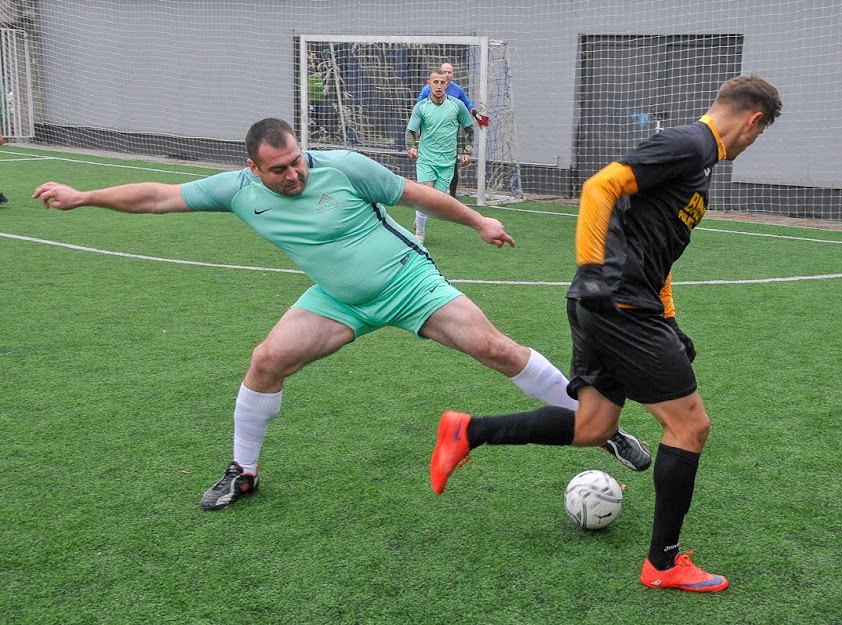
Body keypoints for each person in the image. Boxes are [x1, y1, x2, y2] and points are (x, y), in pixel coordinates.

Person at [32, 117, 584, 511]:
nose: (294, 174)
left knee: (495, 349)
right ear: (252, 168)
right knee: (266, 360)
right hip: (336, 299)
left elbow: (415, 193)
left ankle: (591, 426)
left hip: (408, 283)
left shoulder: (343, 166)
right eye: (278, 169)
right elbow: (156, 196)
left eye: (296, 160)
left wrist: (479, 221)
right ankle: (243, 473)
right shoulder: (236, 191)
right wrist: (84, 197)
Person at [429, 75, 782, 593]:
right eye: (759, 134)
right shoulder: (690, 143)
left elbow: (655, 250)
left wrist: (669, 318)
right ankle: (663, 564)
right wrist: (594, 270)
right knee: (690, 427)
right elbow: (601, 185)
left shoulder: (700, 164)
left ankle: (469, 431)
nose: (752, 144)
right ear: (753, 120)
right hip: (617, 302)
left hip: (620, 302)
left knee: (594, 425)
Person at [407, 69, 477, 244]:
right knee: (425, 196)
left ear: (447, 84)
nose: (438, 85)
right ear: (428, 84)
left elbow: (469, 129)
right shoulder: (421, 107)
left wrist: (467, 151)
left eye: (442, 82)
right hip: (426, 159)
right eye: (435, 82)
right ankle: (420, 234)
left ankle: (420, 216)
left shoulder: (457, 106)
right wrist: (411, 147)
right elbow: (411, 131)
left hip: (447, 162)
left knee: (434, 202)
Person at [417, 62, 489, 200]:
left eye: (449, 72)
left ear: (452, 74)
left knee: (451, 163)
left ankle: (453, 196)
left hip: (450, 131)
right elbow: (419, 106)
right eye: (444, 72)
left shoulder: (457, 90)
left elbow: (467, 104)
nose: (447, 75)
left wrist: (476, 115)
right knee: (429, 165)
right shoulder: (428, 89)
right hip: (431, 133)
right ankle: (429, 194)